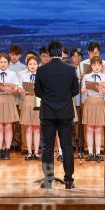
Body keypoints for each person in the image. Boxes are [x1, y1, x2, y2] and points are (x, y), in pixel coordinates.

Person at [35, 41, 79, 190]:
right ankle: (69, 181)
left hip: (47, 112)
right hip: (65, 112)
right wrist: (64, 97)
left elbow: (38, 92)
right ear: (61, 53)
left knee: (47, 147)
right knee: (67, 146)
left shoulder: (42, 70)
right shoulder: (70, 69)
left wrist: (49, 98)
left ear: (48, 53)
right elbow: (75, 90)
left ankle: (48, 180)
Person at [0, 53, 22, 160]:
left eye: (5, 62)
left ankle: (7, 150)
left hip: (8, 100)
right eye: (1, 62)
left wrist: (12, 89)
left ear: (8, 63)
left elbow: (16, 89)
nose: (3, 64)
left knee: (8, 126)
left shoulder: (12, 74)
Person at [81, 56, 105, 162]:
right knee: (89, 129)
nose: (97, 67)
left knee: (98, 129)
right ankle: (89, 152)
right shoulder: (86, 77)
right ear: (91, 66)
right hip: (89, 101)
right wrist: (83, 90)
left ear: (102, 66)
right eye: (94, 65)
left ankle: (97, 152)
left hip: (100, 102)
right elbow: (83, 90)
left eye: (99, 65)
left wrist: (104, 89)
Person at [19, 55, 41, 160]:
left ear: (38, 65)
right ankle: (29, 152)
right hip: (27, 99)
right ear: (27, 65)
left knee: (37, 127)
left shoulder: (41, 76)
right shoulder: (23, 76)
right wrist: (21, 90)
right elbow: (19, 88)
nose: (32, 66)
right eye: (30, 64)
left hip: (38, 99)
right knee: (28, 127)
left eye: (34, 64)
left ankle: (36, 152)